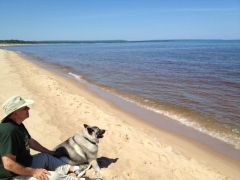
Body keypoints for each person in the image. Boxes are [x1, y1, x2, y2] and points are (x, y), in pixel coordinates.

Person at [0, 96, 83, 180]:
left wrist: (49, 152)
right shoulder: (8, 131)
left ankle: (71, 170)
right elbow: (8, 164)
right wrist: (34, 172)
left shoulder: (17, 124)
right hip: (11, 176)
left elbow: (30, 141)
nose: (28, 108)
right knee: (50, 176)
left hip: (25, 162)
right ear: (15, 113)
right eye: (24, 108)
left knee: (45, 157)